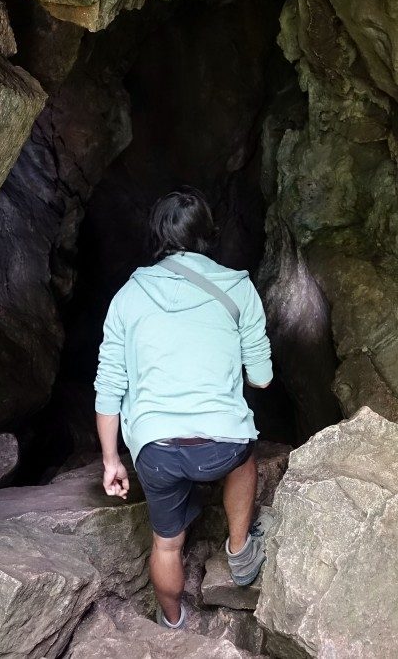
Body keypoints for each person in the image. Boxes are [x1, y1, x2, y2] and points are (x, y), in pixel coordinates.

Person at [93, 186, 273, 630]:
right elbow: (262, 378)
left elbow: (109, 388)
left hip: (155, 451)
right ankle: (239, 551)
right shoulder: (239, 289)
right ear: (207, 235)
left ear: (157, 235)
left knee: (167, 546)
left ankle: (172, 623)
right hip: (222, 446)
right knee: (244, 455)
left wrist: (111, 461)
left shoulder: (126, 298)